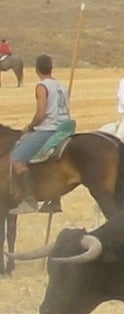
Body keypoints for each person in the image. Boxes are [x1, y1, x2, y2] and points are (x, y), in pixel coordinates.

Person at [9, 54, 71, 215]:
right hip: (65, 128)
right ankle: (55, 199)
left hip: (49, 129)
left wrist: (30, 126)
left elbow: (41, 114)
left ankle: (29, 200)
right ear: (51, 68)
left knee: (17, 159)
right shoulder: (61, 86)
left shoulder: (42, 86)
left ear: (36, 70)